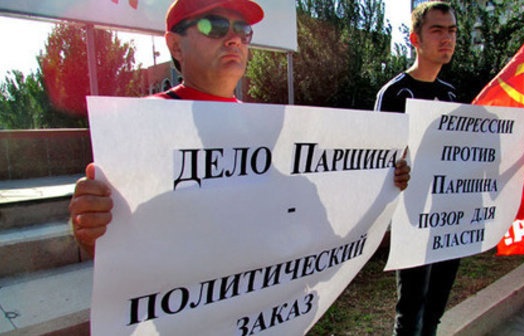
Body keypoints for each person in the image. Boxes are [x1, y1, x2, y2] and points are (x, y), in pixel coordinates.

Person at [69, 0, 411, 257]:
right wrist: (89, 228)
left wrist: (382, 187)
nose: (234, 38)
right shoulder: (140, 124)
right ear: (175, 45)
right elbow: (117, 254)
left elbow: (319, 246)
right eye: (215, 26)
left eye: (243, 30)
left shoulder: (268, 131)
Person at [374, 2, 459, 335]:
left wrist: (522, 147)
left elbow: (464, 154)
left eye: (451, 30)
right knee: (410, 314)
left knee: (435, 309)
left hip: (448, 216)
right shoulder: (394, 93)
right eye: (437, 30)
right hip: (412, 218)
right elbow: (377, 164)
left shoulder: (451, 94)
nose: (447, 38)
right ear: (415, 39)